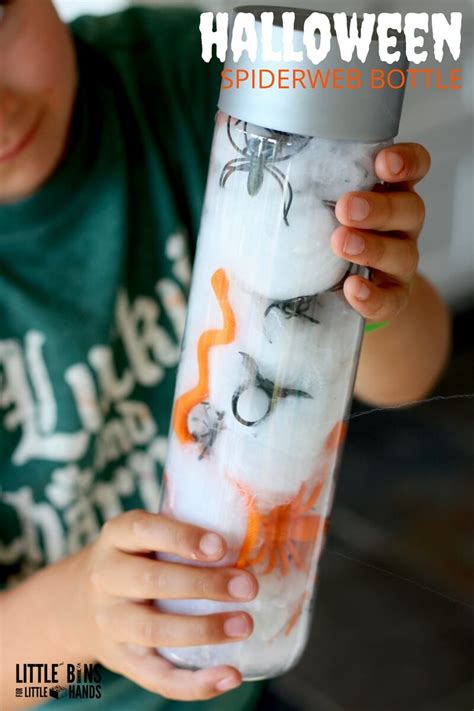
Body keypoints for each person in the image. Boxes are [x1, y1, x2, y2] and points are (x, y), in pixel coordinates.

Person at [0, 1, 451, 709]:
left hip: (239, 669)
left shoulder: (194, 80)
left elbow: (413, 374)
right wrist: (78, 618)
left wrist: (378, 295)